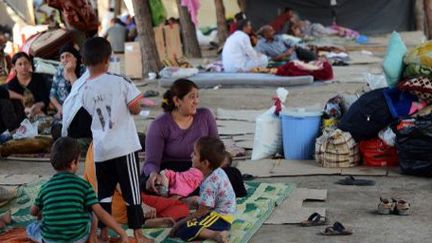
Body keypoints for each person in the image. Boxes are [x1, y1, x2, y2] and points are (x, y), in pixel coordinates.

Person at [79, 37, 150, 242]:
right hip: (124, 146)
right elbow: (135, 107)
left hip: (101, 150)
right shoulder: (120, 81)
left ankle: (103, 232)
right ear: (107, 59)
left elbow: (89, 115)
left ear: (84, 61)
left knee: (104, 193)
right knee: (132, 192)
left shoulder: (84, 90)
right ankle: (138, 233)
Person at [26, 137, 129, 243]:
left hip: (51, 240)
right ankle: (92, 237)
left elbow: (33, 212)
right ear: (73, 163)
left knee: (32, 227)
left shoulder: (45, 187)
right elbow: (101, 214)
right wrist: (122, 233)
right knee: (92, 212)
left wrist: (42, 212)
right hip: (78, 239)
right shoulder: (83, 186)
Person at [142, 79, 218, 193]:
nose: (196, 101)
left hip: (200, 169)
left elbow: (216, 148)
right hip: (173, 172)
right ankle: (186, 195)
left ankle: (187, 195)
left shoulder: (205, 116)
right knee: (153, 185)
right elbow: (151, 162)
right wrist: (153, 174)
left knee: (232, 175)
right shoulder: (159, 125)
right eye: (192, 97)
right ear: (177, 100)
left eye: (197, 97)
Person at [170, 137, 235, 242]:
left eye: (195, 154)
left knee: (184, 229)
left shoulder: (209, 183)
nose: (191, 155)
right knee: (182, 219)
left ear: (205, 163)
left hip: (220, 218)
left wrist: (178, 225)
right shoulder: (216, 170)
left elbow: (202, 212)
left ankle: (215, 234)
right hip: (215, 212)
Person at [0, 52, 49, 135]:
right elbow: (15, 107)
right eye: (20, 64)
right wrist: (27, 110)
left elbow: (45, 99)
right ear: (14, 67)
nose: (23, 67)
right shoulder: (12, 84)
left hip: (40, 113)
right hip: (22, 119)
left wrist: (39, 105)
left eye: (25, 63)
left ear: (30, 63)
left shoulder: (38, 78)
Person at [50, 44, 86, 119]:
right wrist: (60, 109)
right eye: (62, 57)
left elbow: (81, 95)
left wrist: (71, 73)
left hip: (81, 111)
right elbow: (52, 95)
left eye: (68, 56)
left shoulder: (84, 71)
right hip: (63, 112)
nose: (65, 59)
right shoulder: (59, 72)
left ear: (75, 58)